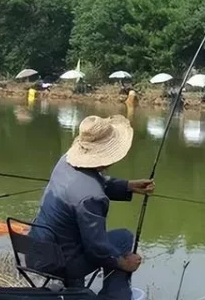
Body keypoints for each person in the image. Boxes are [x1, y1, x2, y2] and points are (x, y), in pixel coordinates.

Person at [27, 115, 155, 299]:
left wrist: (128, 186)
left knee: (77, 240)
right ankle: (115, 296)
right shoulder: (92, 197)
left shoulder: (66, 161)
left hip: (36, 249)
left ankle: (74, 292)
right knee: (122, 238)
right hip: (60, 262)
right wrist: (124, 264)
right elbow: (98, 249)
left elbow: (91, 181)